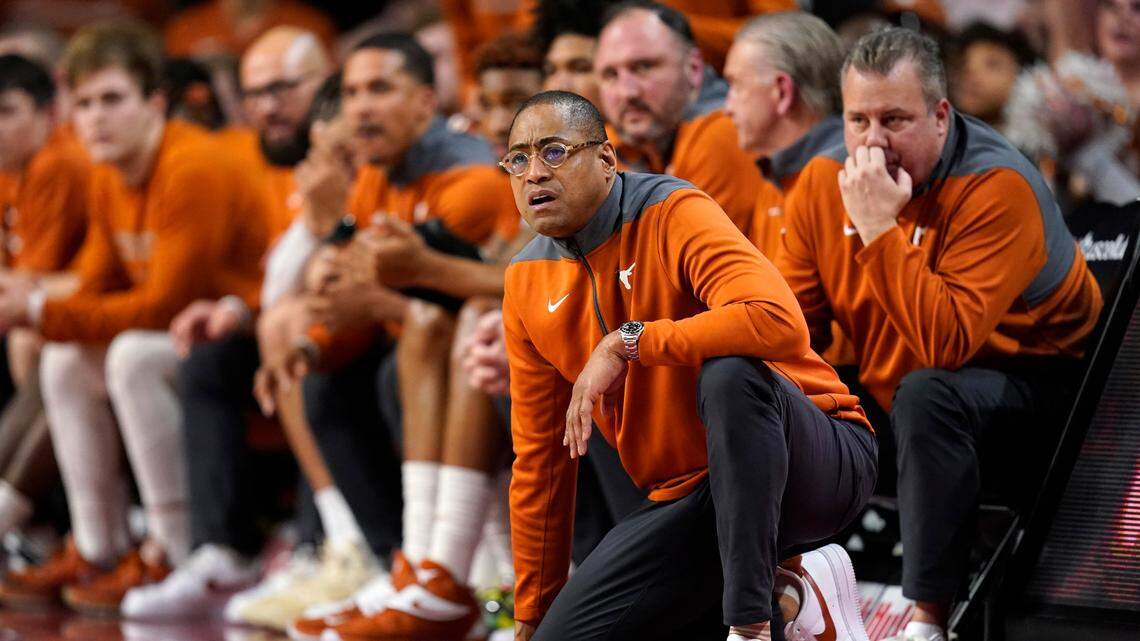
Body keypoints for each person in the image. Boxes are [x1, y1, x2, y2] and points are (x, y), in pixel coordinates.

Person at [502, 90, 877, 641]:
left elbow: (776, 320)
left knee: (730, 373)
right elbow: (542, 460)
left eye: (554, 152)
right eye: (517, 159)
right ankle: (791, 595)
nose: (534, 174)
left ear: (606, 160)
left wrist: (628, 343)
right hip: (691, 496)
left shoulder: (673, 211)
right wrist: (532, 615)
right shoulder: (524, 282)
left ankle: (753, 624)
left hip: (814, 459)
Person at [777, 28, 1104, 641]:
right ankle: (777, 591)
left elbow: (944, 344)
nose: (873, 143)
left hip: (1036, 406)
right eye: (858, 120)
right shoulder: (823, 183)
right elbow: (792, 330)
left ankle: (928, 622)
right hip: (902, 390)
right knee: (762, 384)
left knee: (928, 392)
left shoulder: (996, 186)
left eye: (895, 119)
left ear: (940, 116)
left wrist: (877, 228)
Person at [0, 21, 270, 615]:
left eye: (113, 100)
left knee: (129, 354)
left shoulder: (191, 166)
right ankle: (99, 545)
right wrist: (39, 310)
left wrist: (38, 307)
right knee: (66, 357)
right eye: (87, 103)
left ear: (155, 102)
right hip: (188, 334)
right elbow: (98, 280)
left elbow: (162, 303)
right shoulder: (107, 173)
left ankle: (173, 549)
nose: (96, 119)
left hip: (246, 331)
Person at [115, 27, 341, 623]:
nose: (269, 105)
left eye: (285, 88)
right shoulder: (243, 158)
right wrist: (236, 310)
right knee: (209, 358)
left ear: (328, 80)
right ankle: (217, 552)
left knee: (304, 347)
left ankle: (326, 548)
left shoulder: (345, 154)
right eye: (255, 92)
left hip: (339, 327)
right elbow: (260, 276)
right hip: (274, 321)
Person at [0, 53, 89, 540]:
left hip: (80, 307)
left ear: (48, 113)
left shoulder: (56, 163)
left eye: (7, 111)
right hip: (59, 303)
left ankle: (36, 517)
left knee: (31, 339)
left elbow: (31, 277)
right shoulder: (12, 171)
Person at [593, 1, 764, 233]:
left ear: (694, 68)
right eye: (610, 74)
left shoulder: (722, 133)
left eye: (643, 67)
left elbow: (674, 264)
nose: (627, 92)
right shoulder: (618, 143)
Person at [722, 11, 844, 261]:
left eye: (736, 85)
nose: (727, 107)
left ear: (782, 92)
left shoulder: (843, 181)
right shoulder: (772, 177)